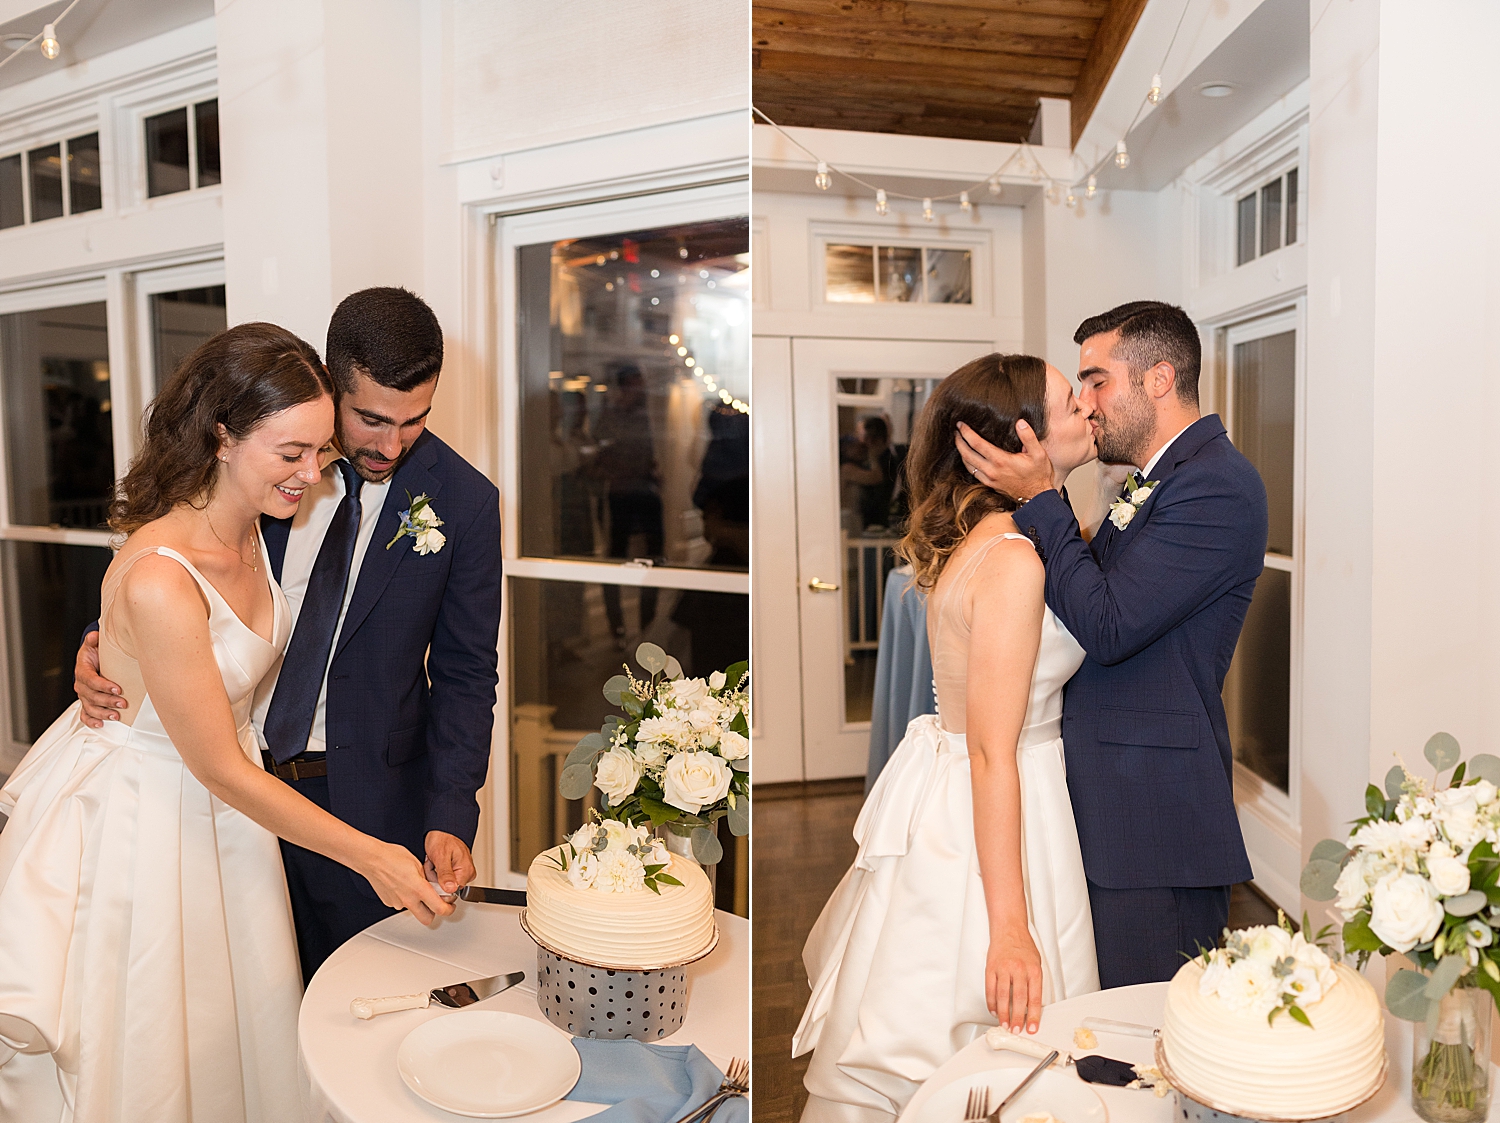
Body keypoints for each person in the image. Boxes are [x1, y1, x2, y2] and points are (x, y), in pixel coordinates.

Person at [0, 323, 452, 1122]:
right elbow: (213, 760)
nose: (314, 475)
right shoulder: (163, 580)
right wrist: (374, 858)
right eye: (292, 455)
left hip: (229, 813)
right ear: (221, 435)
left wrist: (112, 652)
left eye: (320, 451)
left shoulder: (253, 516)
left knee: (242, 1033)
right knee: (161, 1036)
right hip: (159, 811)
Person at [75, 288, 503, 982]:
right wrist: (106, 644)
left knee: (359, 1002)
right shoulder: (262, 463)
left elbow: (465, 674)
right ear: (330, 384)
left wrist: (451, 812)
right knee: (245, 996)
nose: (390, 445)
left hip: (363, 795)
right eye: (370, 419)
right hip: (218, 789)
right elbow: (171, 562)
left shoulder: (465, 502)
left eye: (414, 421)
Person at [793, 354, 1101, 1123]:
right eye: (1070, 400)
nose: (1088, 410)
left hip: (965, 790)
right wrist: (1010, 930)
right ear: (1020, 434)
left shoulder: (982, 543)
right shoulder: (1013, 563)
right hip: (997, 802)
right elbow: (995, 750)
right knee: (993, 1043)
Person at [955, 301, 1268, 988]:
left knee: (1145, 1036)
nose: (1087, 405)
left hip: (1153, 820)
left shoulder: (1217, 485)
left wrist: (1042, 496)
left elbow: (1110, 627)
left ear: (1158, 379)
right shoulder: (1157, 480)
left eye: (1096, 381)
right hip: (1110, 803)